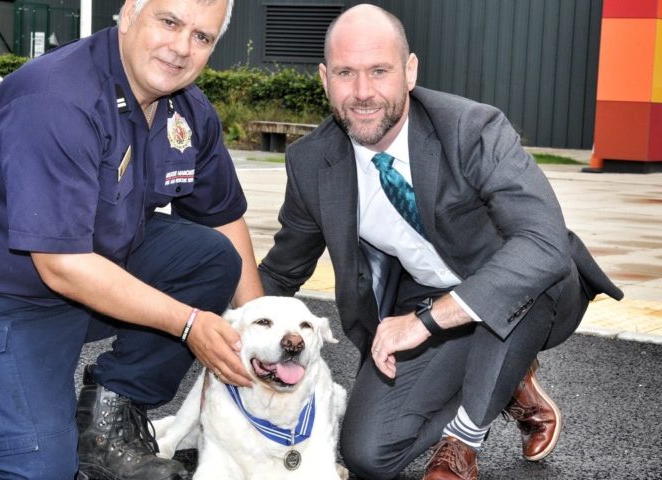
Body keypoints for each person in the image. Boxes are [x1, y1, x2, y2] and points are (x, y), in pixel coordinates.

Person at [257, 4, 623, 480]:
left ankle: (464, 439)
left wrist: (427, 322)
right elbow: (282, 270)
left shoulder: (472, 129)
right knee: (369, 454)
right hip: (426, 302)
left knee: (524, 274)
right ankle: (506, 382)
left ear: (409, 71)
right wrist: (213, 331)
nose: (363, 92)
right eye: (346, 73)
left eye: (379, 71)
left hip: (533, 296)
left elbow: (544, 244)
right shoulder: (312, 163)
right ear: (325, 78)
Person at [0, 0, 263, 479]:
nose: (181, 48)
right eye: (170, 22)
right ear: (131, 11)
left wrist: (266, 328)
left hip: (97, 270)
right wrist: (188, 323)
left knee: (212, 258)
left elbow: (222, 218)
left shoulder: (187, 110)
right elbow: (62, 265)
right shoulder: (56, 97)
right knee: (39, 469)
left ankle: (106, 425)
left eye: (202, 37)